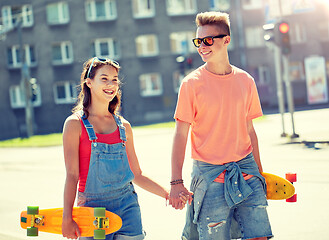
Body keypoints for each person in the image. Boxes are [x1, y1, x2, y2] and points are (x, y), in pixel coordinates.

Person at [169, 12, 273, 240]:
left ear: (226, 40)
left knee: (259, 237)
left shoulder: (246, 81)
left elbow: (250, 131)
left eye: (208, 40)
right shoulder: (191, 84)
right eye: (198, 41)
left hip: (247, 170)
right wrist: (176, 181)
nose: (202, 46)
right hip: (209, 175)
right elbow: (180, 135)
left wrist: (260, 173)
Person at [61, 57, 174, 240]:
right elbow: (72, 176)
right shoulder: (74, 125)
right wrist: (67, 218)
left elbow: (136, 174)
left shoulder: (124, 126)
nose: (111, 84)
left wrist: (167, 194)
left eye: (114, 80)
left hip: (128, 208)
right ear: (89, 82)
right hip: (92, 211)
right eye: (104, 78)